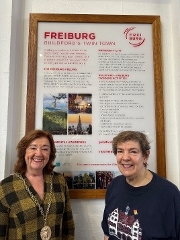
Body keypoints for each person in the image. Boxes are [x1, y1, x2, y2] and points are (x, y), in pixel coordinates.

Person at [101, 130, 180, 239]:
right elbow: (108, 233)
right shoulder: (114, 185)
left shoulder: (169, 194)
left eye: (133, 151)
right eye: (120, 151)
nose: (125, 157)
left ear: (146, 156)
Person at [0, 129, 75, 239]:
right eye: (33, 148)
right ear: (24, 152)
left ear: (50, 154)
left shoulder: (60, 181)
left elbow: (68, 225)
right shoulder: (6, 187)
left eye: (45, 149)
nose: (39, 153)